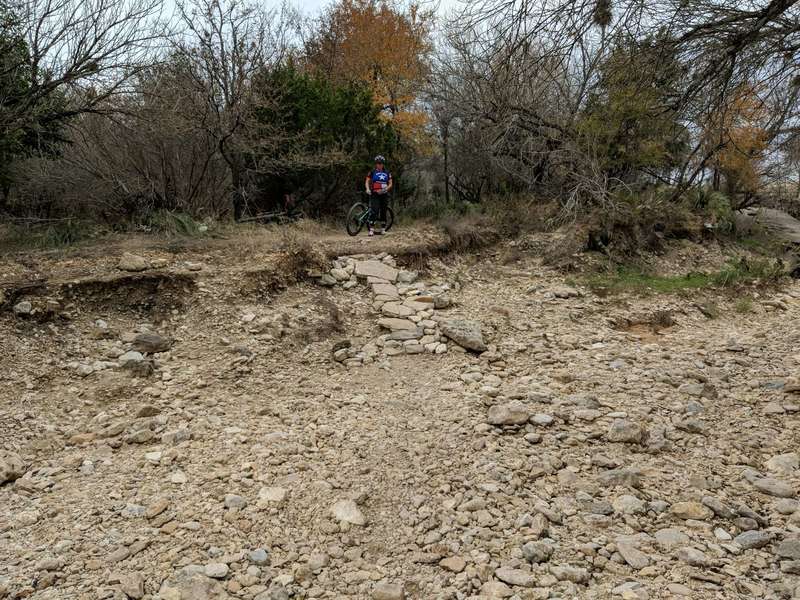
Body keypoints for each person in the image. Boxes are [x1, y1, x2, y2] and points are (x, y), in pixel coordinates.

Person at [364, 155, 392, 236]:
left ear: (383, 164)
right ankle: (371, 229)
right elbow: (367, 181)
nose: (379, 165)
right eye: (378, 163)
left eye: (381, 163)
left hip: (384, 194)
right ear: (376, 164)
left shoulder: (387, 172)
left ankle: (383, 229)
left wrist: (385, 189)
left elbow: (390, 183)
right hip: (375, 194)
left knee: (383, 211)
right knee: (374, 211)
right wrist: (367, 189)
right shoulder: (372, 172)